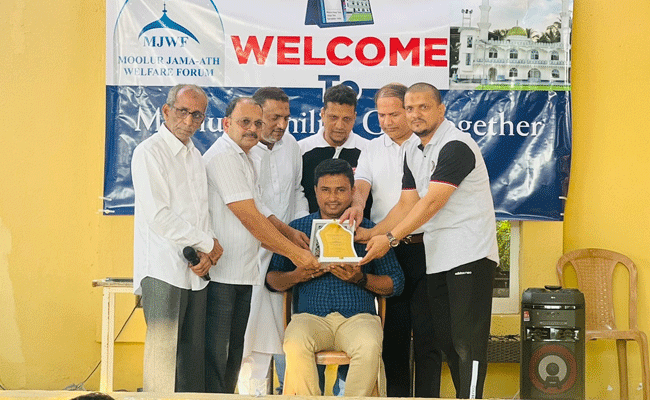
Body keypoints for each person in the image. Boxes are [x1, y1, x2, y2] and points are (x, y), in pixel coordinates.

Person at [359, 83, 499, 399]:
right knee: (447, 342)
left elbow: (432, 202)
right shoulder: (413, 151)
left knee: (467, 343)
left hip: (470, 255)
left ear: (441, 109)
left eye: (423, 107)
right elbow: (406, 204)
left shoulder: (456, 145)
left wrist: (390, 239)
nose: (415, 114)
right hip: (437, 258)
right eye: (410, 108)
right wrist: (371, 233)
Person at [203, 96, 319, 393]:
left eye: (257, 123)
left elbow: (260, 206)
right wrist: (296, 254)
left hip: (245, 273)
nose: (253, 129)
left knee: (234, 355)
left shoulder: (246, 156)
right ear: (226, 124)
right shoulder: (224, 157)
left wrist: (290, 232)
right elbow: (249, 217)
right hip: (223, 274)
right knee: (219, 358)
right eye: (245, 122)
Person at [266, 158, 405, 397]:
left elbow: (396, 283)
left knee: (369, 345)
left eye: (341, 190)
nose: (333, 198)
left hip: (358, 319)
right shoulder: (298, 229)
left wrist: (360, 278)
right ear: (315, 191)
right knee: (295, 343)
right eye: (326, 190)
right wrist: (298, 275)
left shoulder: (370, 230)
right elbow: (272, 280)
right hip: (310, 318)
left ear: (353, 191)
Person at [341, 83, 442, 397]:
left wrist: (380, 233)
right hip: (387, 252)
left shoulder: (429, 146)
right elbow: (361, 186)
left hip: (426, 248)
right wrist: (357, 207)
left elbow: (415, 203)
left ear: (409, 111)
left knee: (428, 336)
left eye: (394, 114)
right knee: (394, 335)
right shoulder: (372, 148)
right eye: (381, 115)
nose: (386, 122)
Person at [131, 84, 223, 393]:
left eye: (197, 115)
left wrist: (207, 252)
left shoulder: (195, 156)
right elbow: (159, 215)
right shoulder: (149, 152)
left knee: (190, 364)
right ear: (166, 110)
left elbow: (201, 213)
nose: (188, 121)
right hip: (162, 270)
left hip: (194, 272)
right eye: (183, 111)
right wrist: (208, 244)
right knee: (162, 364)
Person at [237, 87, 309, 395]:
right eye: (273, 117)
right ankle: (247, 393)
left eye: (286, 118)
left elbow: (297, 191)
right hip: (250, 252)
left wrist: (302, 230)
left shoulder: (291, 145)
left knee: (277, 331)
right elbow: (252, 206)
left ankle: (281, 393)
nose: (281, 125)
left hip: (285, 255)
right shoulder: (243, 151)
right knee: (247, 332)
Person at [299, 84, 371, 218]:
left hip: (359, 229)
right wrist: (305, 223)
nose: (339, 125)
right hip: (309, 228)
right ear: (322, 114)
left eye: (346, 119)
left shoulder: (369, 150)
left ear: (354, 117)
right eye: (333, 117)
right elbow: (295, 193)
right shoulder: (300, 150)